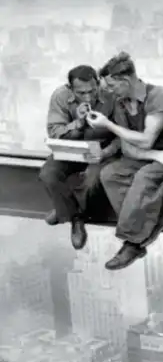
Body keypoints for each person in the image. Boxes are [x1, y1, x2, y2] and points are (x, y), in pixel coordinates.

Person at [89, 53, 163, 271]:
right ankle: (155, 221)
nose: (110, 91)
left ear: (127, 80)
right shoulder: (121, 103)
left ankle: (132, 242)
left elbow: (147, 138)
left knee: (144, 177)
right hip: (152, 155)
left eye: (112, 85)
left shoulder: (158, 96)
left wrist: (108, 125)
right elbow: (127, 145)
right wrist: (153, 156)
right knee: (110, 174)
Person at [39, 65, 119, 250]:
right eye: (81, 93)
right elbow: (55, 133)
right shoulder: (60, 96)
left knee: (92, 180)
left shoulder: (111, 96)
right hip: (70, 149)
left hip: (101, 150)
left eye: (92, 91)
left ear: (98, 83)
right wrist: (79, 123)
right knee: (48, 174)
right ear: (70, 88)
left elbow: (121, 134)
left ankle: (64, 211)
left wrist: (105, 152)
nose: (88, 97)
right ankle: (74, 216)